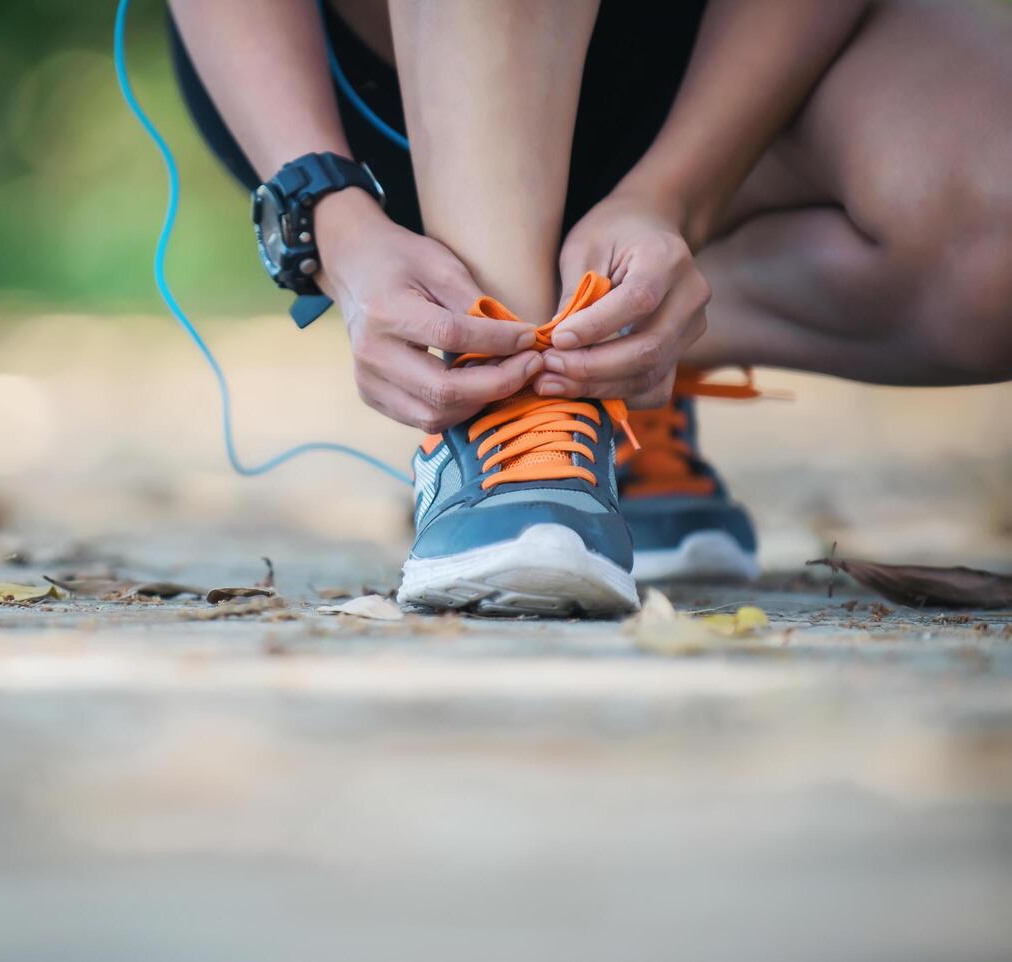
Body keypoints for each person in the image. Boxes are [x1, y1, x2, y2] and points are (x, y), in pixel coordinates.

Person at [167, 0, 1012, 617]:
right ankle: (513, 423)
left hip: (722, 59)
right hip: (366, 72)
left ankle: (616, 354)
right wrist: (328, 211)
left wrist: (672, 197)